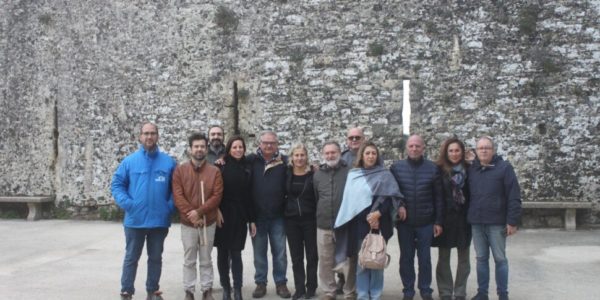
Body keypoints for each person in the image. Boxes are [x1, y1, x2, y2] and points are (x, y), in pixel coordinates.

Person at [111, 122, 177, 300]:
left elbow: (177, 189)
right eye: (146, 133)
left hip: (159, 221)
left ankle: (152, 291)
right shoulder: (129, 161)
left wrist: (168, 207)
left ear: (158, 136)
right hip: (135, 220)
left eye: (153, 133)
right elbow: (117, 185)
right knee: (131, 257)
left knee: (155, 258)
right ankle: (126, 291)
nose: (149, 137)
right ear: (140, 136)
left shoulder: (168, 162)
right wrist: (129, 204)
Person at [334, 141, 403, 300]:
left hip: (380, 222)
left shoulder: (385, 174)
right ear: (362, 156)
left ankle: (376, 294)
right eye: (367, 153)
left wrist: (378, 213)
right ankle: (363, 295)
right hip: (359, 224)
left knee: (377, 261)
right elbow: (350, 201)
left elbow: (390, 197)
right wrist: (367, 217)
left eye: (373, 153)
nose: (371, 156)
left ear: (377, 156)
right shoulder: (353, 175)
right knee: (362, 262)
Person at [390, 134, 443, 300]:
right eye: (411, 146)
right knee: (406, 258)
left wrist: (439, 221)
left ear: (423, 148)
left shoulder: (433, 168)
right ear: (406, 148)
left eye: (417, 146)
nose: (414, 149)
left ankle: (425, 290)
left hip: (426, 222)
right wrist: (399, 206)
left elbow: (439, 197)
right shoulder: (396, 168)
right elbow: (392, 193)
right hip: (405, 223)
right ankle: (408, 290)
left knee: (425, 258)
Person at [468, 136, 521, 300]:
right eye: (480, 148)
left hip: (497, 223)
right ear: (476, 152)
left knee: (500, 259)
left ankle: (503, 294)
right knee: (481, 259)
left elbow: (514, 195)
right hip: (477, 222)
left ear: (493, 150)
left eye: (487, 148)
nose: (483, 150)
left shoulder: (504, 168)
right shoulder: (472, 170)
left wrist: (512, 221)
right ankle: (482, 293)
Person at [172, 132, 224, 300]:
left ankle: (207, 289)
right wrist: (192, 215)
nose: (199, 149)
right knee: (189, 259)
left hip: (208, 223)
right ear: (190, 149)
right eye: (196, 146)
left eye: (202, 146)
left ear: (206, 148)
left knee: (206, 258)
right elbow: (178, 196)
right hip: (189, 224)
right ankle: (189, 290)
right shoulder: (180, 171)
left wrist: (200, 212)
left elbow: (217, 195)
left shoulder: (214, 171)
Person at [248, 131, 291, 299]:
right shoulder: (251, 160)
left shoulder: (285, 161)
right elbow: (233, 161)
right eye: (265, 143)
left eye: (272, 143)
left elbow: (302, 166)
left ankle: (281, 283)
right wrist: (221, 160)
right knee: (259, 252)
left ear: (277, 144)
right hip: (257, 216)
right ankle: (260, 283)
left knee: (280, 252)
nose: (268, 146)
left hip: (278, 215)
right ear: (259, 143)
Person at [214, 136, 256, 300]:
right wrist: (216, 210)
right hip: (222, 215)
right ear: (229, 149)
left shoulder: (248, 166)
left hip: (240, 215)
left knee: (236, 253)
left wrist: (252, 219)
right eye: (234, 147)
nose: (238, 150)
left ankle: (237, 288)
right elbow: (214, 191)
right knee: (223, 254)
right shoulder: (220, 166)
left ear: (244, 149)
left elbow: (250, 195)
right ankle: (226, 287)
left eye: (241, 147)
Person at [313, 141, 355, 300]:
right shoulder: (317, 175)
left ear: (339, 153)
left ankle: (349, 292)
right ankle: (329, 292)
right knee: (325, 261)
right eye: (327, 153)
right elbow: (317, 197)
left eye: (333, 152)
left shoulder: (350, 172)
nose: (330, 155)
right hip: (324, 224)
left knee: (348, 261)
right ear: (323, 155)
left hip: (345, 224)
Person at [432, 137, 472, 300]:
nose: (454, 154)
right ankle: (446, 292)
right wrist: (438, 221)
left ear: (462, 152)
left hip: (464, 219)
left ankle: (460, 291)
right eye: (451, 151)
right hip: (446, 219)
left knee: (464, 259)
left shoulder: (469, 169)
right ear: (445, 152)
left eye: (457, 150)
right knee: (444, 258)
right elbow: (437, 196)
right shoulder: (439, 170)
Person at [284, 143, 318, 300]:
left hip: (310, 219)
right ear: (292, 157)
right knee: (296, 257)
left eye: (302, 155)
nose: (299, 158)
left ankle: (311, 287)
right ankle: (299, 289)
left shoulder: (313, 174)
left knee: (312, 256)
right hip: (291, 220)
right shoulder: (286, 173)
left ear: (306, 157)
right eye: (296, 155)